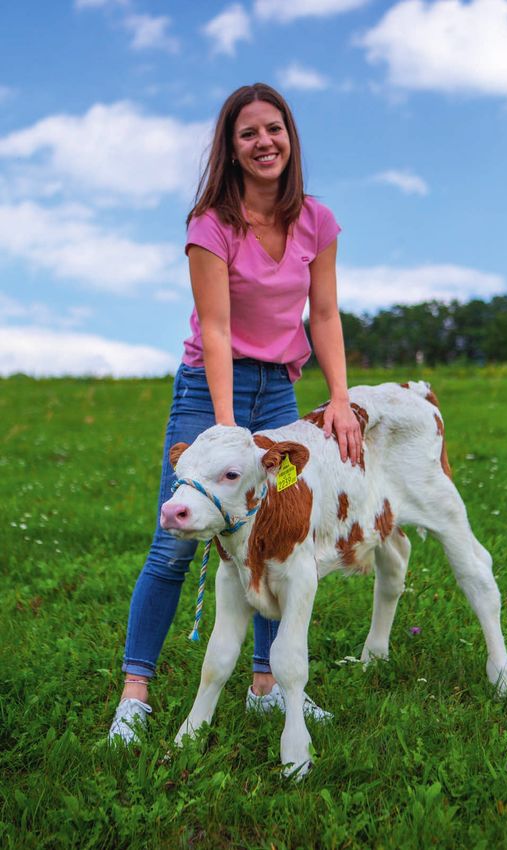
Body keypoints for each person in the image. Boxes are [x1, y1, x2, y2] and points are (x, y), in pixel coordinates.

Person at [109, 82, 362, 743]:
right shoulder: (211, 225)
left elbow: (324, 314)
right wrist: (225, 431)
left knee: (275, 534)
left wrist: (339, 398)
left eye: (273, 129)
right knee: (174, 541)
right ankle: (135, 693)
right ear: (231, 148)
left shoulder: (316, 221)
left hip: (277, 390)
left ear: (289, 137)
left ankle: (265, 687)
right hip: (208, 387)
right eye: (248, 133)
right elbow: (216, 330)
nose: (263, 142)